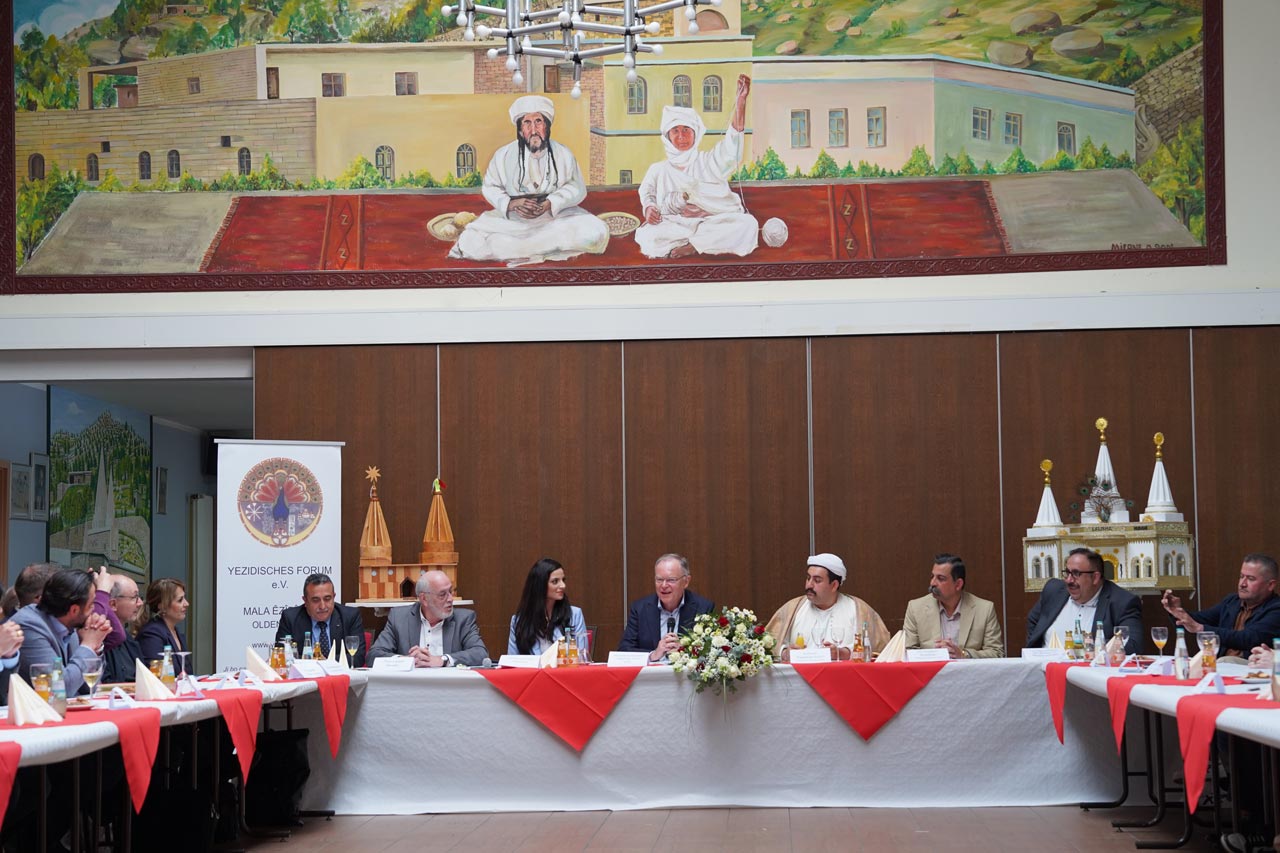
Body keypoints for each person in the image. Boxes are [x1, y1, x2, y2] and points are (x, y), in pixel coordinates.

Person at [449, 95, 609, 265]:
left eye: (539, 121)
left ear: (546, 127)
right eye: (527, 123)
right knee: (470, 241)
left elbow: (577, 187)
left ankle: (523, 248)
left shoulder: (563, 153)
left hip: (555, 218)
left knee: (596, 232)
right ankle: (544, 248)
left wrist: (550, 203)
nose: (534, 129)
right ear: (520, 130)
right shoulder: (503, 155)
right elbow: (490, 187)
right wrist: (512, 204)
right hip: (514, 221)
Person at [634, 74, 758, 259]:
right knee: (648, 237)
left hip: (712, 222)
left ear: (696, 134)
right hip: (676, 226)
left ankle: (693, 245)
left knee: (747, 224)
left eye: (686, 130)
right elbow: (647, 192)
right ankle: (704, 242)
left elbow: (731, 149)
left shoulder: (708, 161)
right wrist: (649, 208)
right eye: (675, 131)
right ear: (667, 137)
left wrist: (740, 102)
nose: (681, 136)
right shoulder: (658, 169)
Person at [763, 553, 891, 661]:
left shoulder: (859, 610)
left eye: (817, 580)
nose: (809, 585)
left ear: (834, 585)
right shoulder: (792, 608)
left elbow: (879, 652)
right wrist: (785, 653)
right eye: (808, 578)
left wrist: (842, 654)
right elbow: (768, 644)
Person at [1161, 553, 1280, 661]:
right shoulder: (1232, 601)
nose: (1242, 584)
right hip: (1220, 664)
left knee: (1223, 661)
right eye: (1241, 576)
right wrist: (1177, 612)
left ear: (1270, 585)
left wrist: (1200, 628)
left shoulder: (1276, 608)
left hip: (1251, 666)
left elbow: (1248, 638)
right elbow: (1200, 619)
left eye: (1250, 579)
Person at [12, 567, 110, 695]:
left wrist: (96, 647)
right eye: (91, 605)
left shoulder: (68, 622)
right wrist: (88, 646)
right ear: (74, 610)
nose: (93, 611)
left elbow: (89, 687)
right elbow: (60, 689)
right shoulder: (29, 627)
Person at [1026, 547, 1143, 654]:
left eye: (1076, 574)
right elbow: (1033, 621)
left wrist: (1094, 650)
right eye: (1067, 573)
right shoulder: (1053, 590)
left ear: (1095, 577)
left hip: (1087, 673)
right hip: (1045, 670)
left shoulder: (1122, 602)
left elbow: (1133, 645)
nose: (1069, 580)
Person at [367, 570, 487, 667]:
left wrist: (443, 660)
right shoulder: (399, 618)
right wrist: (405, 661)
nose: (450, 599)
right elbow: (373, 655)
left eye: (450, 592)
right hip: (410, 689)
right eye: (442, 594)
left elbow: (480, 653)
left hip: (450, 688)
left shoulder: (463, 619)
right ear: (424, 599)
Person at [902, 553, 1005, 659]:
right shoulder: (915, 608)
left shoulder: (984, 610)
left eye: (940, 578)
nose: (933, 583)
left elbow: (997, 653)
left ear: (958, 584)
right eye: (932, 577)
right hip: (931, 674)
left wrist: (963, 654)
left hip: (969, 674)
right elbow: (907, 652)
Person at [618, 553, 715, 662]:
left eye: (671, 580)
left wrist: (685, 650)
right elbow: (624, 651)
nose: (663, 585)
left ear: (686, 581)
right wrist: (653, 654)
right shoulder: (640, 609)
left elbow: (712, 651)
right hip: (651, 677)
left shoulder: (703, 608)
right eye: (659, 580)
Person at [275, 572, 368, 666]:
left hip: (338, 677)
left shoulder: (350, 616)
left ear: (334, 597)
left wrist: (326, 662)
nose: (322, 606)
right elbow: (281, 656)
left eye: (327, 599)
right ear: (305, 601)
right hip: (306, 677)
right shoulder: (290, 618)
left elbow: (357, 658)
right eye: (315, 600)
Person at [508, 557, 588, 656]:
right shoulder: (518, 621)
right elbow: (512, 661)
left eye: (563, 580)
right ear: (540, 585)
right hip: (533, 671)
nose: (563, 585)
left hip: (564, 671)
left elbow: (582, 657)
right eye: (555, 581)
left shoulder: (575, 615)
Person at [137, 577, 190, 667]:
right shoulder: (151, 634)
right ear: (162, 606)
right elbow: (155, 675)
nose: (187, 604)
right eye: (180, 600)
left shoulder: (175, 631)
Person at [102, 575, 144, 683]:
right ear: (113, 604)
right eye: (134, 597)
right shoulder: (100, 639)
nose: (140, 603)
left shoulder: (129, 639)